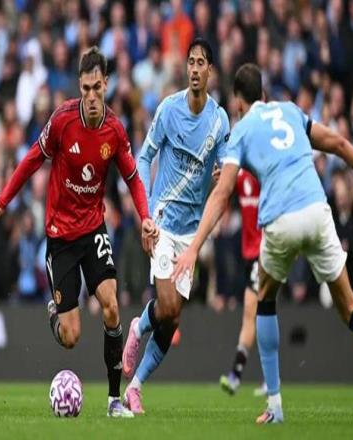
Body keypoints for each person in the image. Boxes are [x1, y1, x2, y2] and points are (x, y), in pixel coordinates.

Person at [172, 63, 353, 424]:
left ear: (238, 103)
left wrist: (194, 247)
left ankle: (275, 406)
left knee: (264, 298)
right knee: (351, 306)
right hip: (316, 209)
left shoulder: (241, 130)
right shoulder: (290, 111)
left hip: (280, 220)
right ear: (263, 94)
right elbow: (339, 144)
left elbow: (222, 195)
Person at [0, 46, 158, 418]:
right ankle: (55, 312)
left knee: (111, 304)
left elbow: (133, 177)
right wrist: (4, 198)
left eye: (97, 88)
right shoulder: (63, 121)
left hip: (93, 227)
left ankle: (113, 400)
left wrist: (145, 216)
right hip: (61, 236)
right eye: (85, 89)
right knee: (71, 337)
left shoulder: (115, 129)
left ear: (106, 84)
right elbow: (33, 158)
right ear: (79, 87)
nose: (92, 96)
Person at [121, 38, 230, 414]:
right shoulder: (168, 109)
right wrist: (145, 214)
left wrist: (219, 176)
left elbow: (224, 172)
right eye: (191, 62)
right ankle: (137, 328)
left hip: (191, 232)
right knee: (167, 305)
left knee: (172, 318)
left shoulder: (219, 121)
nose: (195, 69)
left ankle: (135, 387)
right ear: (186, 68)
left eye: (201, 63)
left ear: (210, 70)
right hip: (163, 222)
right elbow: (143, 156)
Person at [219, 169, 266, 396]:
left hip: (265, 252)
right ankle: (264, 378)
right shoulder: (241, 176)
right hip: (249, 254)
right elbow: (224, 189)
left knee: (253, 310)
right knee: (258, 313)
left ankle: (237, 374)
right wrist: (222, 175)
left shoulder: (264, 172)